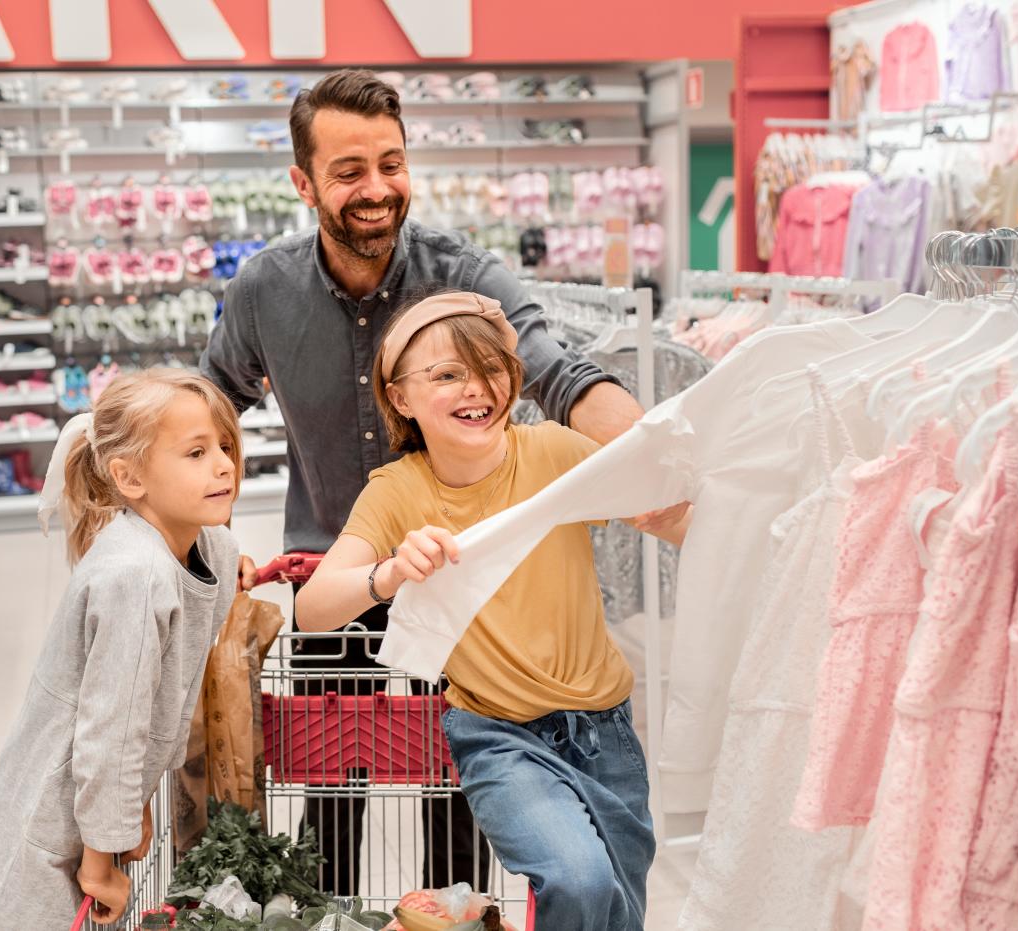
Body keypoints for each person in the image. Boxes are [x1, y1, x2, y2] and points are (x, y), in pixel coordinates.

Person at [202, 67, 685, 896]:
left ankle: (455, 915)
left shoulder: (461, 276)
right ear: (302, 181)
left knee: (457, 793)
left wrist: (663, 458)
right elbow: (211, 407)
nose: (377, 188)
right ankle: (331, 912)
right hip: (338, 566)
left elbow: (555, 374)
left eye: (391, 163)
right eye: (349, 170)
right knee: (331, 790)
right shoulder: (263, 291)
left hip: (463, 572)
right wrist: (202, 542)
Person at [296, 291, 677, 931]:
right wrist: (387, 572)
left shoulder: (553, 453)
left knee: (620, 904)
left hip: (605, 728)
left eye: (491, 368)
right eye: (447, 375)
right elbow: (313, 609)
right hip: (499, 736)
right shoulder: (398, 492)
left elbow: (669, 513)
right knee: (578, 879)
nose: (477, 388)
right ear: (399, 398)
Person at [0, 370, 242, 929]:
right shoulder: (136, 575)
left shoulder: (212, 547)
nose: (225, 464)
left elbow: (157, 704)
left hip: (85, 808)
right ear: (128, 477)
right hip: (48, 821)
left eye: (225, 446)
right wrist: (99, 857)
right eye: (197, 452)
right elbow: (112, 728)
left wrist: (131, 807)